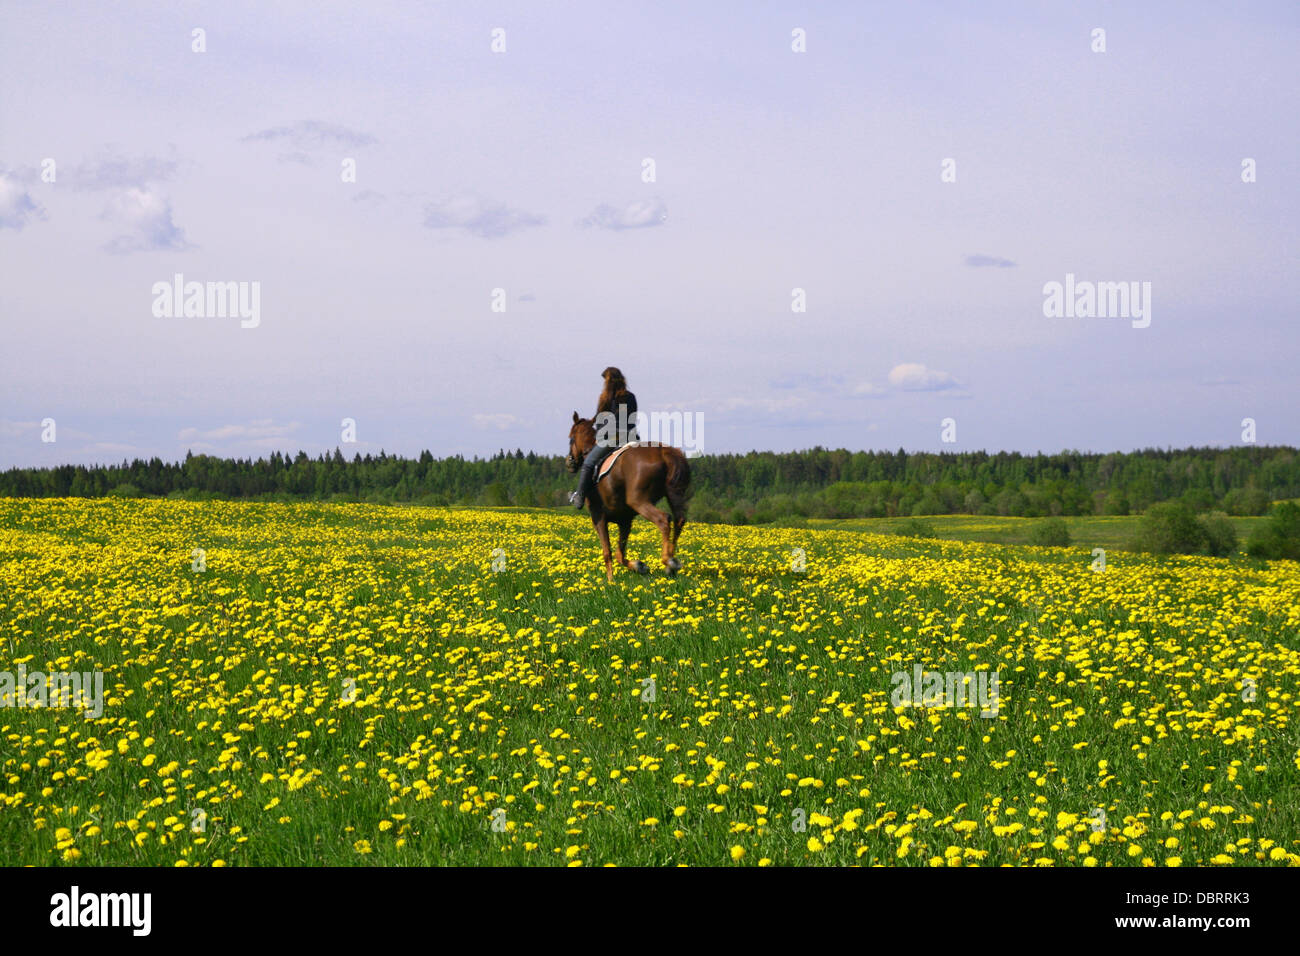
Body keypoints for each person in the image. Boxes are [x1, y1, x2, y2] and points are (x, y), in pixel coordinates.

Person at [571, 367, 639, 508]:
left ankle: (579, 497)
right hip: (632, 437)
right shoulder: (630, 396)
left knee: (588, 462)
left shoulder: (606, 399)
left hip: (613, 438)